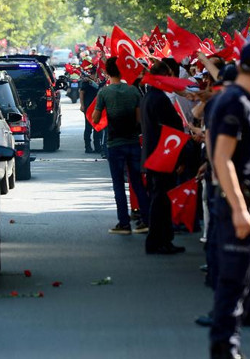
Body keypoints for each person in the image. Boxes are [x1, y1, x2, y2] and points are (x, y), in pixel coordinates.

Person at [207, 42, 250, 359]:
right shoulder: (236, 101)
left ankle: (228, 347)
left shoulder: (241, 99)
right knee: (233, 281)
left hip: (246, 201)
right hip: (241, 201)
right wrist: (239, 208)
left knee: (241, 281)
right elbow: (222, 157)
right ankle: (225, 349)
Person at [91, 56, 150, 235]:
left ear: (107, 72)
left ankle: (124, 223)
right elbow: (139, 118)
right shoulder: (133, 91)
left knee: (118, 184)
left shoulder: (104, 93)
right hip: (133, 141)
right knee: (137, 183)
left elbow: (95, 118)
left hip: (114, 143)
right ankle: (146, 220)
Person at [141, 60, 188, 254]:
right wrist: (181, 158)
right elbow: (172, 128)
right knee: (161, 201)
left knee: (158, 199)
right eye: (168, 76)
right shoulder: (159, 99)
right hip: (163, 156)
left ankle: (159, 240)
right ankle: (160, 240)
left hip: (155, 155)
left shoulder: (149, 97)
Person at [80, 67, 101, 154]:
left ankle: (97, 147)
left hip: (98, 107)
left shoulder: (100, 82)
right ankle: (87, 147)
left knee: (97, 128)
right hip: (88, 107)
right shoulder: (86, 82)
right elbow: (81, 93)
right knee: (88, 128)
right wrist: (82, 105)